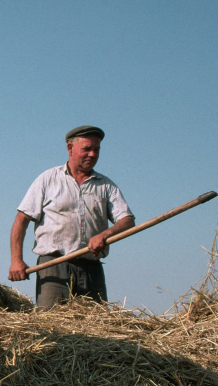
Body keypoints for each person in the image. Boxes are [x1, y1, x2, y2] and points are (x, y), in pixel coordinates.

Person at [8, 125, 135, 310]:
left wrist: (105, 235)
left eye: (96, 150)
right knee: (52, 326)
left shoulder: (106, 185)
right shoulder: (48, 179)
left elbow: (127, 220)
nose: (92, 154)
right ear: (70, 149)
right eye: (87, 149)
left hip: (91, 268)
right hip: (53, 266)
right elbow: (21, 221)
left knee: (97, 329)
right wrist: (16, 260)